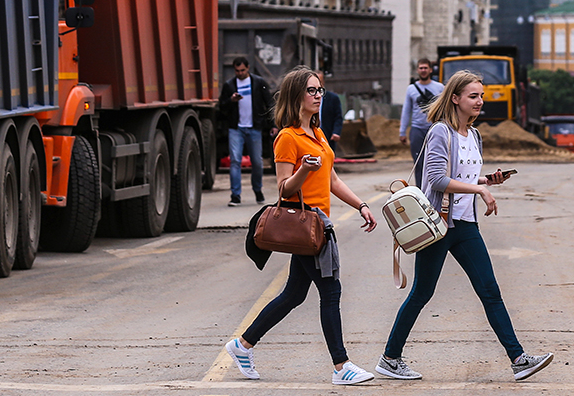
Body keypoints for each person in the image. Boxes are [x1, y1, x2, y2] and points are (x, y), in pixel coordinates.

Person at [375, 70, 554, 383]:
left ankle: (518, 359)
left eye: (481, 96)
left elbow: (464, 177)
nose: (480, 102)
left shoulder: (475, 135)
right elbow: (436, 180)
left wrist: (487, 180)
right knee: (421, 293)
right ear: (455, 98)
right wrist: (481, 191)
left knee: (490, 290)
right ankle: (390, 358)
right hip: (439, 225)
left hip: (466, 225)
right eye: (473, 96)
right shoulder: (440, 133)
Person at [226, 66, 378, 385]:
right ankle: (341, 366)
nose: (318, 95)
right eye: (311, 90)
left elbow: (332, 178)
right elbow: (283, 188)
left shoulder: (317, 133)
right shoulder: (287, 137)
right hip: (304, 224)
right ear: (297, 96)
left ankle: (242, 345)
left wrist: (361, 204)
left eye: (320, 89)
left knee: (294, 294)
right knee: (330, 290)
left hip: (320, 224)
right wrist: (303, 172)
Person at [218, 57, 277, 206]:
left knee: (257, 162)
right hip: (236, 128)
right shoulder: (229, 85)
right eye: (237, 71)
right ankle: (235, 195)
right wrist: (231, 100)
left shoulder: (258, 83)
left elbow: (269, 103)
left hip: (254, 127)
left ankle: (257, 189)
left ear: (248, 68)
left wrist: (274, 124)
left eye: (243, 70)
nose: (240, 73)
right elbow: (221, 107)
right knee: (235, 161)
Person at [399, 58, 444, 187]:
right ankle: (420, 190)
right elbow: (406, 111)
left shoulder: (439, 88)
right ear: (417, 70)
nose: (423, 70)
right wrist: (402, 131)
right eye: (421, 68)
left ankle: (435, 187)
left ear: (430, 70)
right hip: (417, 129)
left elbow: (445, 108)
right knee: (419, 162)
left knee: (435, 161)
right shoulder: (411, 89)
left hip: (434, 128)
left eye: (425, 68)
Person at [317, 72, 343, 155]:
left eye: (319, 81)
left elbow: (338, 117)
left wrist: (336, 132)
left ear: (323, 82)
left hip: (327, 135)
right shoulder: (306, 98)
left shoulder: (332, 98)